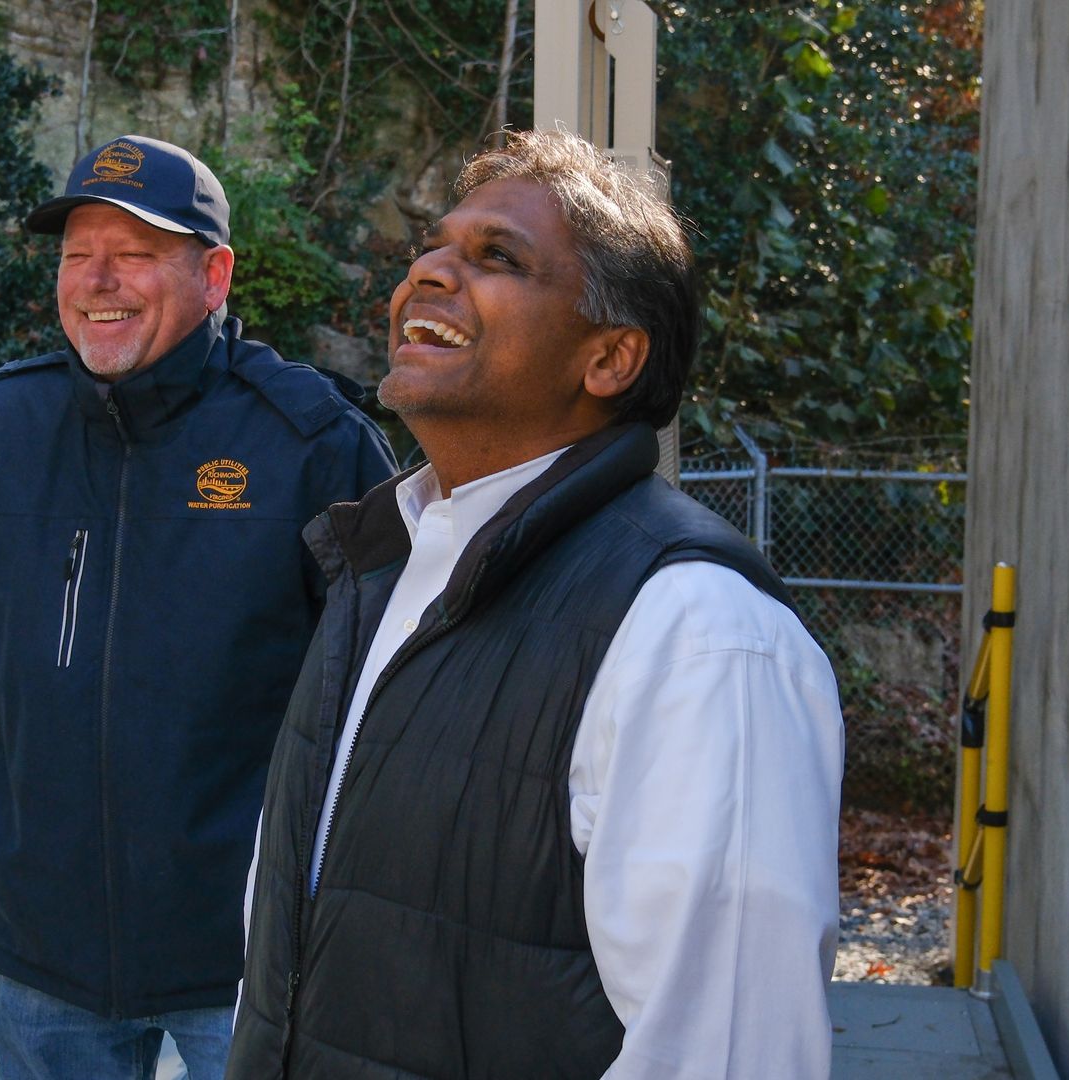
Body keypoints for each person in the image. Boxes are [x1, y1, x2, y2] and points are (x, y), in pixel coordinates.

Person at [228, 128, 845, 1079]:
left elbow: (725, 1052)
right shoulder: (379, 565)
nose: (428, 272)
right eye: (432, 247)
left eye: (498, 258)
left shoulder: (700, 634)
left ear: (610, 359)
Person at [0, 134, 396, 1080]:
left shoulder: (312, 445)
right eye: (77, 253)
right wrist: (3, 835)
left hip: (253, 961)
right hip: (47, 954)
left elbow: (395, 689)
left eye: (134, 252)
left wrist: (299, 876)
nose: (98, 281)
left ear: (215, 275)